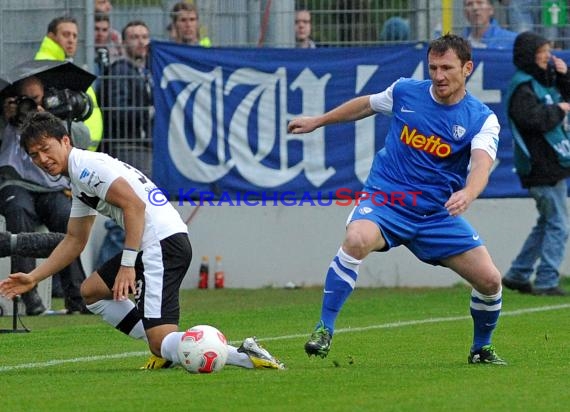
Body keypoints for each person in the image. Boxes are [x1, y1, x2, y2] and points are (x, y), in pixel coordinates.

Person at [0, 111, 285, 371]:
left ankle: (241, 355)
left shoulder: (86, 168)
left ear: (65, 140)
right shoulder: (78, 177)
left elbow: (134, 206)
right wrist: (34, 277)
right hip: (158, 241)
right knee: (91, 291)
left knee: (158, 341)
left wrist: (126, 266)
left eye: (46, 149)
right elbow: (75, 240)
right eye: (34, 155)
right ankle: (166, 345)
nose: (42, 159)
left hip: (159, 244)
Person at [288, 34, 506, 365]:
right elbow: (366, 104)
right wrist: (319, 121)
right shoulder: (407, 91)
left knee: (490, 280)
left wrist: (469, 192)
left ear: (467, 68)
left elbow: (481, 163)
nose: (438, 75)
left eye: (447, 68)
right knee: (356, 238)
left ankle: (481, 349)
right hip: (386, 201)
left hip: (435, 214)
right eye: (432, 67)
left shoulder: (480, 118)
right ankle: (324, 329)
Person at [0, 77, 89, 314]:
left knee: (65, 216)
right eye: (23, 99)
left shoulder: (52, 116)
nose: (28, 103)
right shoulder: (5, 117)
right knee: (19, 212)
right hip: (15, 183)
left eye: (35, 98)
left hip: (50, 187)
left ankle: (77, 297)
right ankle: (28, 297)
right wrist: (5, 117)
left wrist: (49, 117)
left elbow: (83, 137)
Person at [502, 31, 570, 296]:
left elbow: (563, 97)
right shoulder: (523, 87)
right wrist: (559, 110)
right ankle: (546, 280)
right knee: (559, 224)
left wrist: (564, 75)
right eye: (543, 51)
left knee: (547, 222)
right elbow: (533, 119)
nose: (548, 56)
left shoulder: (541, 81)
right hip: (540, 167)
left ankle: (518, 274)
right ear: (530, 55)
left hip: (552, 164)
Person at [35, 15, 103, 152]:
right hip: (64, 147)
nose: (71, 40)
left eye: (74, 36)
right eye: (66, 35)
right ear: (51, 36)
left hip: (76, 146)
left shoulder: (63, 66)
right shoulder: (48, 67)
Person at [100, 20, 153, 177]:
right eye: (135, 37)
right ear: (123, 43)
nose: (141, 41)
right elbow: (117, 110)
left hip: (140, 145)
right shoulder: (119, 70)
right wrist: (147, 112)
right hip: (125, 147)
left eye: (144, 37)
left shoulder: (145, 71)